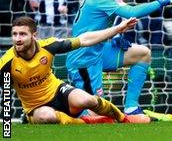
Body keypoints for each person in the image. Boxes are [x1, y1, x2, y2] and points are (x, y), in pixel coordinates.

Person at [65, 0, 172, 115]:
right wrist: (162, 1)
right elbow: (130, 12)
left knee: (143, 53)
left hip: (99, 50)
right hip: (83, 59)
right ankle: (53, 112)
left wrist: (113, 37)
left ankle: (131, 107)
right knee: (93, 116)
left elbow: (94, 26)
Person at [0, 16, 150, 124]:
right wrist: (7, 130)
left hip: (57, 91)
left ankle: (123, 118)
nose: (17, 39)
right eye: (14, 34)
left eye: (22, 34)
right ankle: (31, 118)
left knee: (87, 99)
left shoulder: (48, 46)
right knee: (47, 117)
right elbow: (6, 96)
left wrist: (118, 28)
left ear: (34, 36)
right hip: (36, 106)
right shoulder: (7, 63)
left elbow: (84, 39)